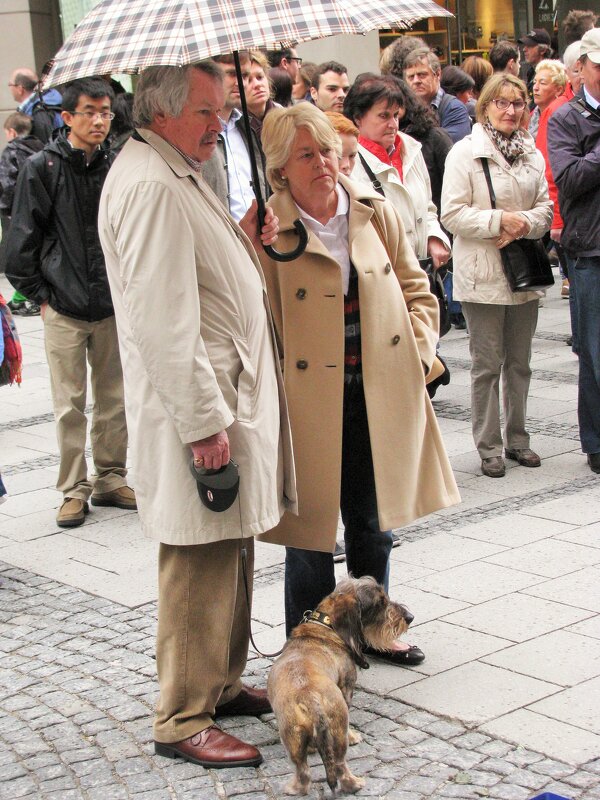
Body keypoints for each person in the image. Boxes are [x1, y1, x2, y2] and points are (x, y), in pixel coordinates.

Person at [98, 61, 296, 768]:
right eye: (207, 112)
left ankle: (218, 680)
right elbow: (165, 323)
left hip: (223, 397)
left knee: (229, 546)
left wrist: (243, 232)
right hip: (202, 407)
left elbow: (201, 276)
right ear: (161, 112)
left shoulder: (175, 167)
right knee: (197, 557)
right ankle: (182, 716)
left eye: (222, 110)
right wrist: (202, 426)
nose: (222, 124)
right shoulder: (153, 183)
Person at [258, 102, 460, 667]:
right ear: (279, 168)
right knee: (310, 537)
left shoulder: (374, 212)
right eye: (306, 154)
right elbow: (254, 318)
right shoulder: (266, 227)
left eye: (326, 149)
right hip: (307, 406)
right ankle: (311, 647)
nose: (323, 162)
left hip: (375, 393)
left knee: (374, 524)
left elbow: (419, 290)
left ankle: (377, 629)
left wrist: (421, 354)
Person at [4, 77, 137, 527]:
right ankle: (72, 488)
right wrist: (43, 296)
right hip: (62, 305)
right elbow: (21, 241)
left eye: (106, 112)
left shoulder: (117, 164)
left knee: (114, 398)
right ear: (67, 118)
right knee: (69, 404)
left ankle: (111, 477)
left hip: (110, 305)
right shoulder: (42, 167)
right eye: (90, 112)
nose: (100, 120)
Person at [441, 73, 552, 479]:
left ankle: (517, 440)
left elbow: (545, 210)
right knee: (487, 365)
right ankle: (488, 447)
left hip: (523, 275)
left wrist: (521, 223)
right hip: (482, 274)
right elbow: (451, 213)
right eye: (502, 103)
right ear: (485, 106)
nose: (510, 110)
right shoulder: (464, 152)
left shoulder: (532, 153)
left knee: (519, 363)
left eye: (517, 103)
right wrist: (497, 221)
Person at [547, 27, 600, 475]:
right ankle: (597, 442)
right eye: (599, 66)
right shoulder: (566, 118)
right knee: (594, 350)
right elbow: (569, 180)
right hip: (590, 250)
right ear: (581, 69)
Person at [344, 74, 451, 270]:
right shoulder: (348, 161)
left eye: (395, 115)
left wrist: (434, 237)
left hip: (421, 272)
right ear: (358, 118)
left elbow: (427, 207)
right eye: (383, 116)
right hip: (381, 275)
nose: (393, 124)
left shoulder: (411, 150)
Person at [201, 53, 267, 221]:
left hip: (257, 243)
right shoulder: (198, 133)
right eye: (231, 74)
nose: (241, 82)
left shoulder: (249, 127)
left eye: (244, 75)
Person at [0, 112, 44, 316]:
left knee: (19, 254)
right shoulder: (41, 148)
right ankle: (25, 297)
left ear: (11, 132)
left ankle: (23, 298)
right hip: (38, 210)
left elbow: (7, 183)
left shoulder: (12, 150)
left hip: (17, 211)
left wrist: (6, 210)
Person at [403, 48, 472, 143]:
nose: (416, 81)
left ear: (438, 74)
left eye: (422, 75)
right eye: (411, 77)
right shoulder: (403, 110)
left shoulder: (455, 109)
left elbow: (448, 148)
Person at [7, 67, 63, 144]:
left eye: (10, 84)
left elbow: (46, 150)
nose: (9, 88)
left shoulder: (38, 112)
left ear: (20, 89)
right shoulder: (50, 101)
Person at [246, 51, 280, 139]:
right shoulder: (235, 125)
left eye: (260, 77)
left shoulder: (284, 115)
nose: (257, 84)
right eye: (248, 80)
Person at [530, 59, 566, 140]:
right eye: (534, 82)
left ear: (558, 90)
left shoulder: (562, 119)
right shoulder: (530, 116)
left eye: (542, 83)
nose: (535, 88)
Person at [517, 29, 552, 104]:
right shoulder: (531, 72)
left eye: (529, 46)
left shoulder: (551, 75)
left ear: (543, 50)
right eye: (525, 45)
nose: (524, 49)